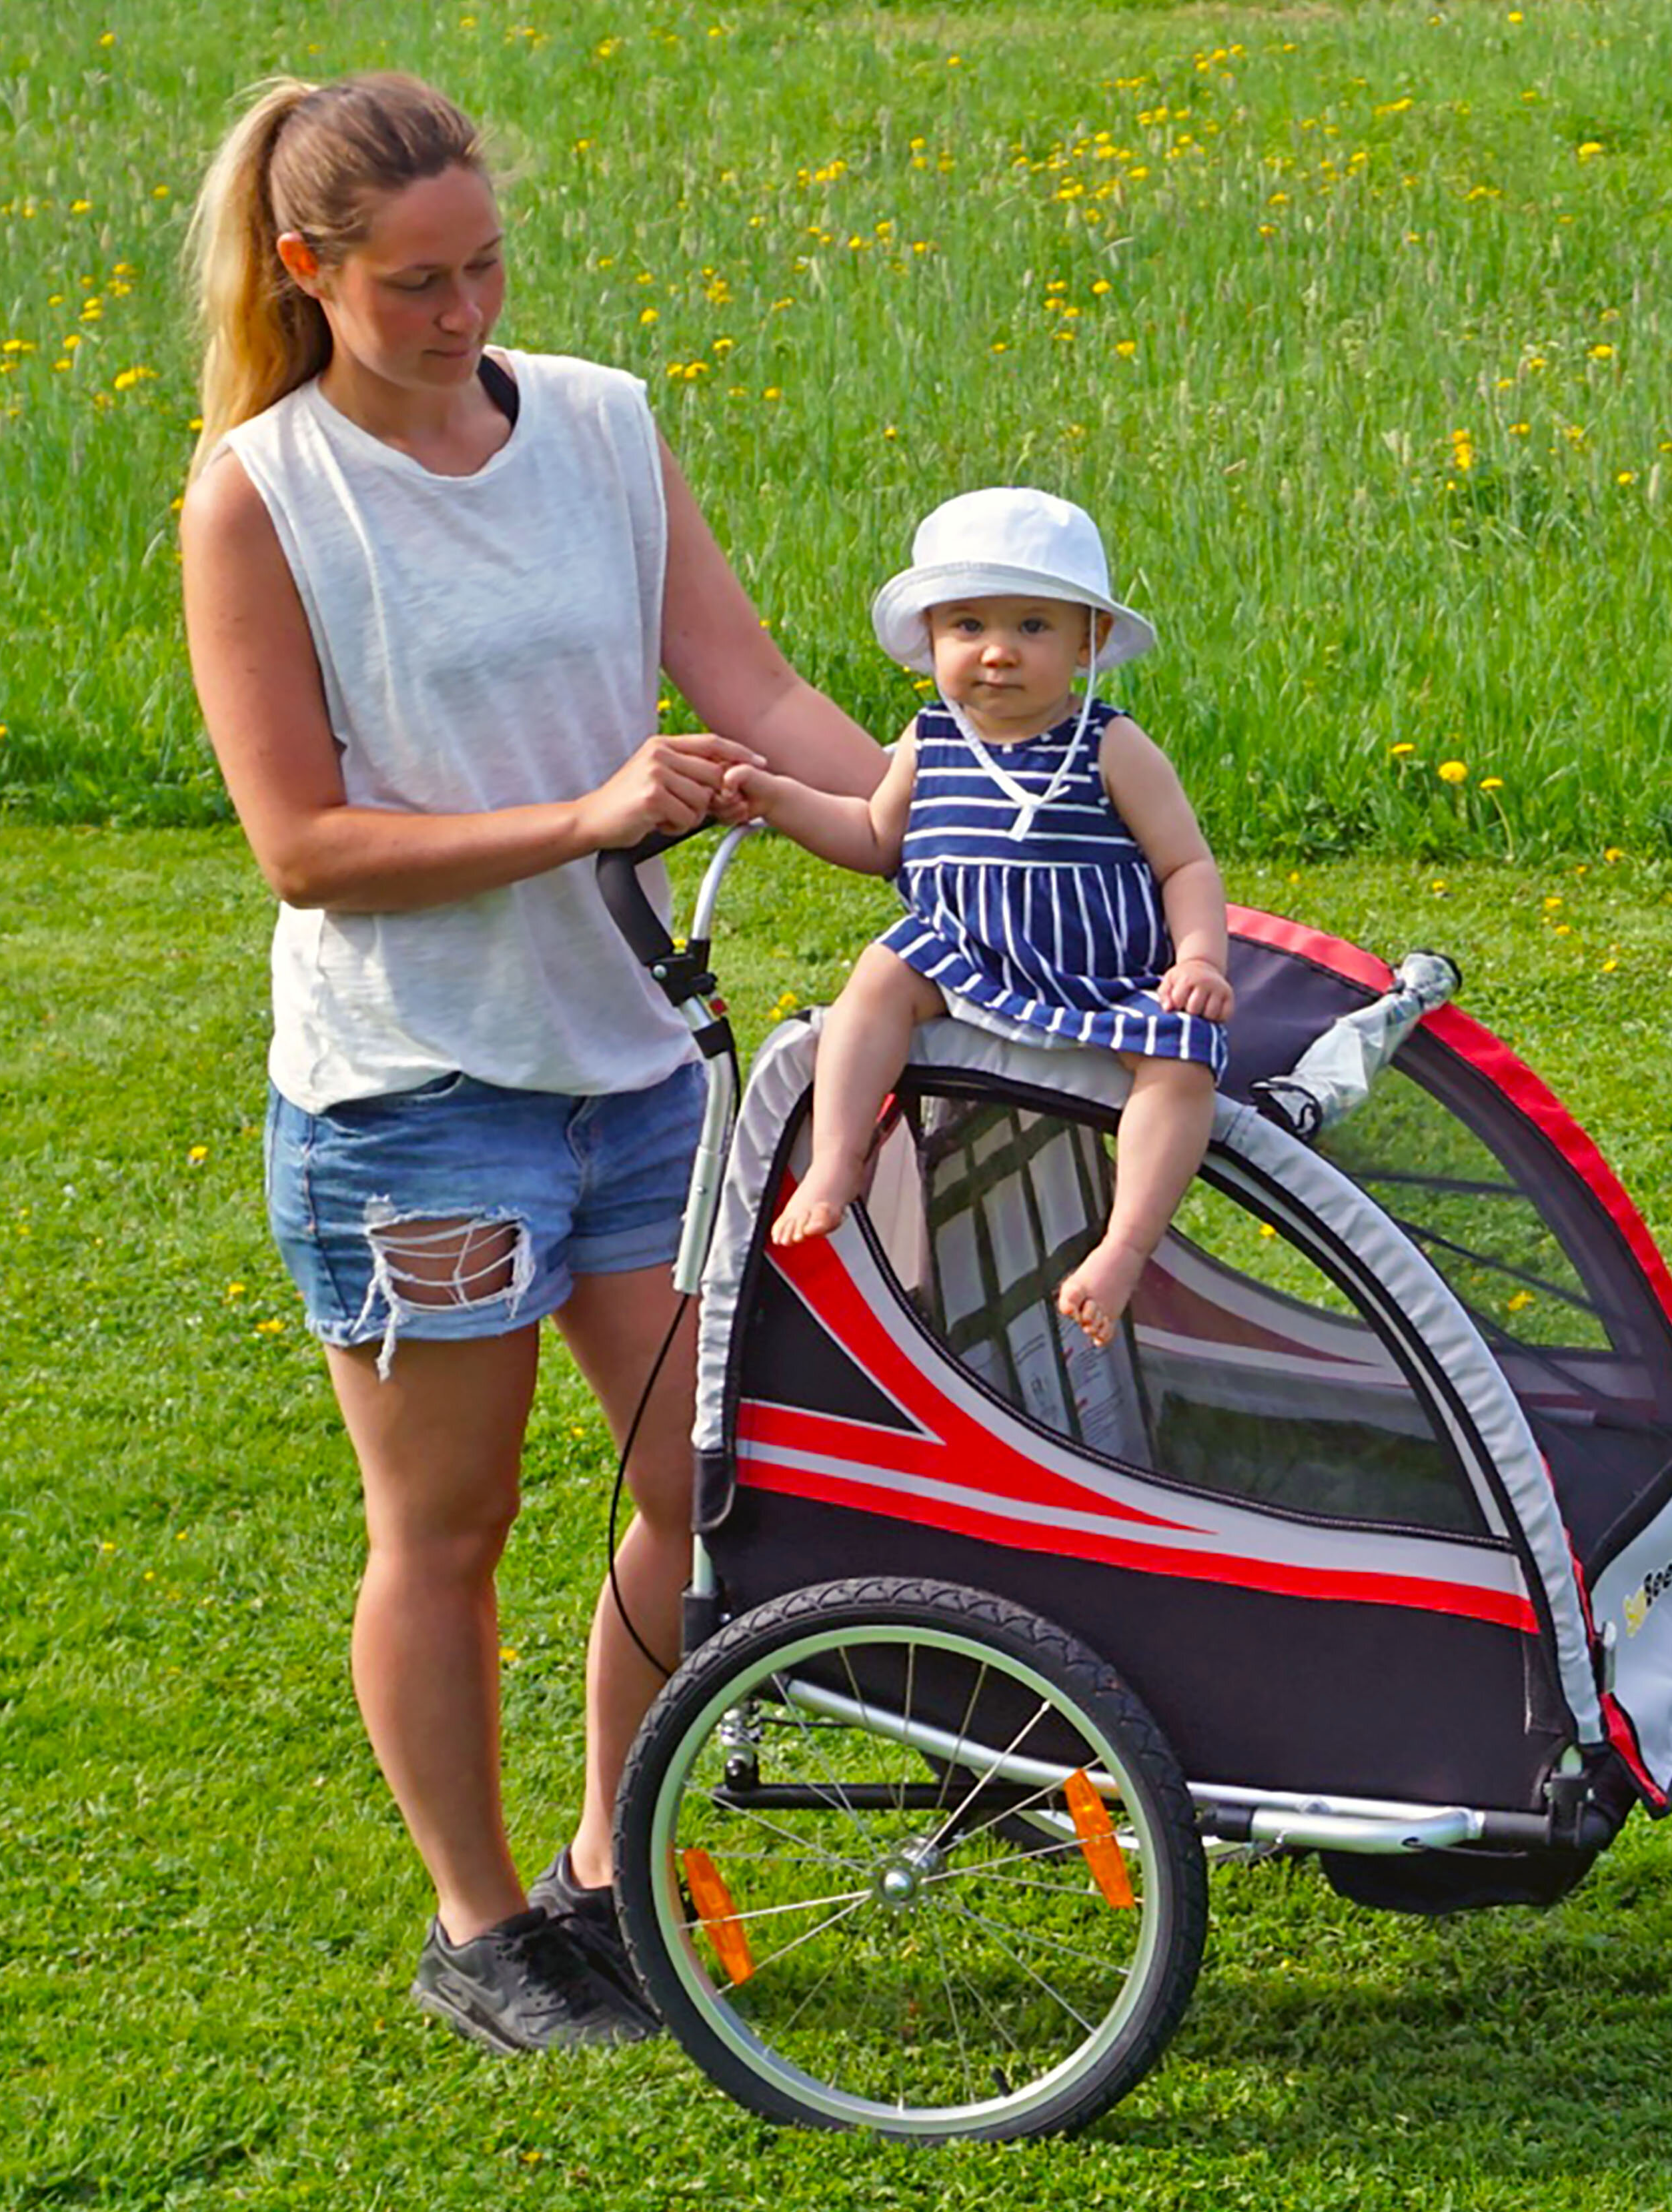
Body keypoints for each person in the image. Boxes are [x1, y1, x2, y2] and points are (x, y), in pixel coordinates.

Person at [177, 72, 885, 2053]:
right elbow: (302, 845)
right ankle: (479, 1925)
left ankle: (602, 1860)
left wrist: (924, 806)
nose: (463, 310)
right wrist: (581, 816)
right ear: (308, 273)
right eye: (413, 284)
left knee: (702, 1480)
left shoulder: (595, 421)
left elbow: (741, 681)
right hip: (417, 1093)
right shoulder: (263, 495)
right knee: (451, 1529)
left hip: (627, 1065)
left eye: (485, 264)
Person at [723, 486, 1231, 1345]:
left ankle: (1123, 1245)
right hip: (961, 953)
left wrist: (1199, 959)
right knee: (877, 980)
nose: (996, 654)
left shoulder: (1111, 744)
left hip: (1096, 973)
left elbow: (1186, 863)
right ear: (930, 641)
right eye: (967, 627)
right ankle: (839, 1159)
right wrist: (779, 799)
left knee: (1181, 1066)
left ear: (1088, 641)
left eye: (1032, 627)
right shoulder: (929, 738)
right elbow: (876, 837)